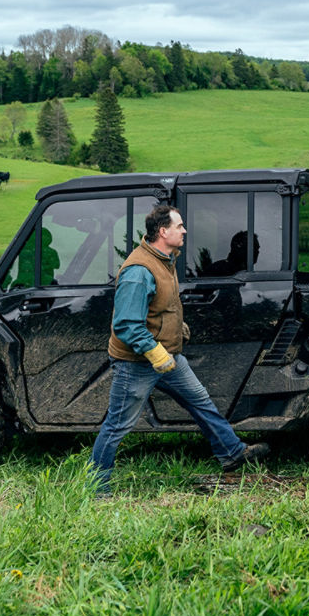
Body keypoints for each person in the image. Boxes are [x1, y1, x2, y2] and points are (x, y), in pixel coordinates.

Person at [90, 204, 268, 495]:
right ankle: (97, 488)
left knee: (200, 401)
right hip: (137, 362)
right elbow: (126, 325)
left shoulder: (165, 259)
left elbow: (160, 307)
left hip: (168, 356)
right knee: (117, 425)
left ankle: (232, 453)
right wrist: (156, 352)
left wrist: (175, 329)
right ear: (163, 232)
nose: (184, 230)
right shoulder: (139, 271)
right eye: (179, 226)